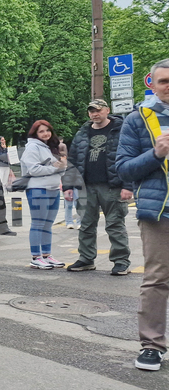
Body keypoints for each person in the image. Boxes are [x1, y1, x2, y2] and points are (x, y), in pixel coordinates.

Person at [115, 58, 169, 371]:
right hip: (159, 211)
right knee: (157, 279)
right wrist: (156, 153)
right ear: (152, 83)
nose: (168, 87)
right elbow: (124, 167)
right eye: (163, 81)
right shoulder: (138, 120)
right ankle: (152, 345)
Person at [64, 99, 133, 274]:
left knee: (115, 225)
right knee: (86, 225)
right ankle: (86, 259)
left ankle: (121, 261)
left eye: (98, 110)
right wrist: (68, 186)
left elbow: (129, 156)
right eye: (91, 111)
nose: (95, 114)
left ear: (107, 110)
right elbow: (73, 160)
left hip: (112, 186)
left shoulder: (120, 129)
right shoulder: (82, 132)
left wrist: (128, 185)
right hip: (86, 187)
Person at [20, 120, 67, 270]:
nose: (45, 133)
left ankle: (47, 255)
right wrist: (55, 168)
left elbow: (58, 168)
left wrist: (61, 167)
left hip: (53, 188)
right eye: (41, 131)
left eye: (47, 130)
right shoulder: (32, 147)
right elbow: (33, 170)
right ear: (35, 133)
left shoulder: (50, 147)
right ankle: (36, 257)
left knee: (48, 224)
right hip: (38, 189)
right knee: (38, 224)